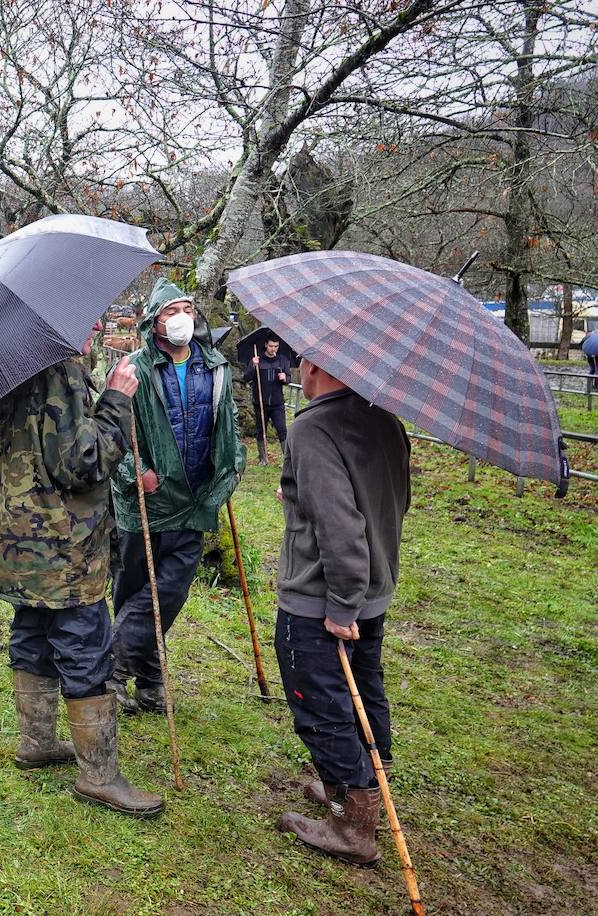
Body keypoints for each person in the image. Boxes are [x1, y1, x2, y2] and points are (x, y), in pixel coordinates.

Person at [0, 323, 165, 818]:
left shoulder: (16, 370)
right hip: (61, 548)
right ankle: (99, 776)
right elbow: (81, 464)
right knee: (85, 644)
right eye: (90, 320)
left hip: (20, 543)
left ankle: (36, 742)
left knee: (33, 631)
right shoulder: (59, 373)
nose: (99, 327)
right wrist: (116, 400)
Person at [274, 359, 411, 868]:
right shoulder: (386, 419)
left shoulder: (312, 427)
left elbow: (339, 522)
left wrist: (340, 605)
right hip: (375, 588)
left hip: (323, 599)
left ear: (313, 367)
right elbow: (392, 499)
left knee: (322, 700)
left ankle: (354, 825)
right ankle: (358, 785)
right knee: (364, 685)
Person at [108, 279, 245, 715]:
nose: (181, 317)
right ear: (154, 319)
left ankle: (108, 669)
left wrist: (230, 469)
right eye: (171, 311)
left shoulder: (215, 367)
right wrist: (137, 472)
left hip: (194, 500)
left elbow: (230, 428)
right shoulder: (134, 368)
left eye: (187, 308)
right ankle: (148, 679)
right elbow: (110, 430)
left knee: (168, 592)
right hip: (143, 501)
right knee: (133, 590)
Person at [245, 335, 292, 464]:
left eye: (276, 346)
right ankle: (262, 458)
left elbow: (289, 379)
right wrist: (253, 367)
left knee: (282, 430)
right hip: (260, 403)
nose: (273, 349)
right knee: (261, 430)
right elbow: (246, 377)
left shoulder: (282, 360)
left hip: (277, 403)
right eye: (271, 346)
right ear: (266, 345)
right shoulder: (257, 360)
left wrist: (285, 378)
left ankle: (288, 460)